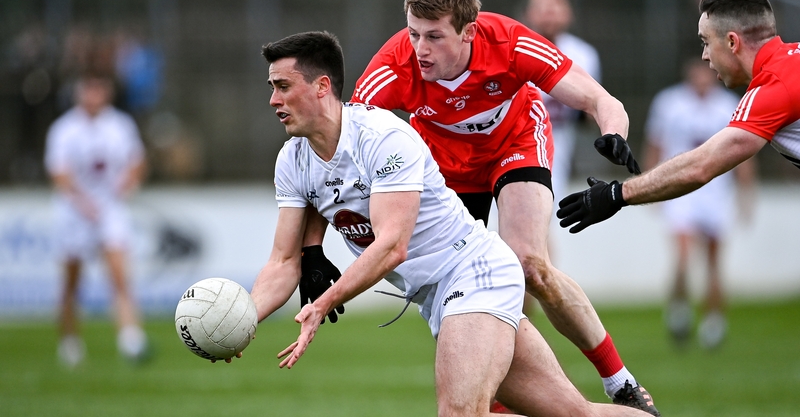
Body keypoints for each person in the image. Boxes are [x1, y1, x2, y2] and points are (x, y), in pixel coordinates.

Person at [247, 29, 654, 417]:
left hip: (475, 272)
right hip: (440, 296)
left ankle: (618, 376)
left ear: (321, 87)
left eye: (283, 86)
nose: (272, 100)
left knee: (460, 413)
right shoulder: (292, 160)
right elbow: (283, 262)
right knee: (572, 413)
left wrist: (322, 304)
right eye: (272, 88)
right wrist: (242, 319)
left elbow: (392, 246)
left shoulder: (381, 137)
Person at [557, 0, 794, 237]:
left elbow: (702, 165)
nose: (704, 56)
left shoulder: (773, 85)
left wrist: (616, 194)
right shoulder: (788, 66)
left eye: (706, 42)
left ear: (732, 42)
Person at [643, 58, 756, 349]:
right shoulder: (669, 103)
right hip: (680, 190)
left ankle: (714, 321)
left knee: (714, 260)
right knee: (682, 255)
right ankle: (679, 309)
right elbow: (655, 145)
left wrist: (746, 193)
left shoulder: (727, 104)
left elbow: (743, 151)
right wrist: (647, 185)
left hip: (716, 192)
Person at [45, 73, 149, 367]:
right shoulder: (64, 129)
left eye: (98, 89)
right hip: (74, 211)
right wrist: (81, 201)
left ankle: (131, 339)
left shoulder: (120, 125)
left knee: (119, 276)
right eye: (88, 89)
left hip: (109, 209)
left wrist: (126, 183)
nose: (93, 95)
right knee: (71, 281)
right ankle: (70, 342)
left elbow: (137, 161)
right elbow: (59, 172)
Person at [524, 0, 602, 214]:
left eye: (556, 7)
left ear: (569, 13)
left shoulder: (582, 54)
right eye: (542, 7)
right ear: (529, 12)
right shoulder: (514, 46)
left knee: (543, 209)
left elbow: (591, 109)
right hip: (515, 136)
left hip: (558, 138)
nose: (550, 13)